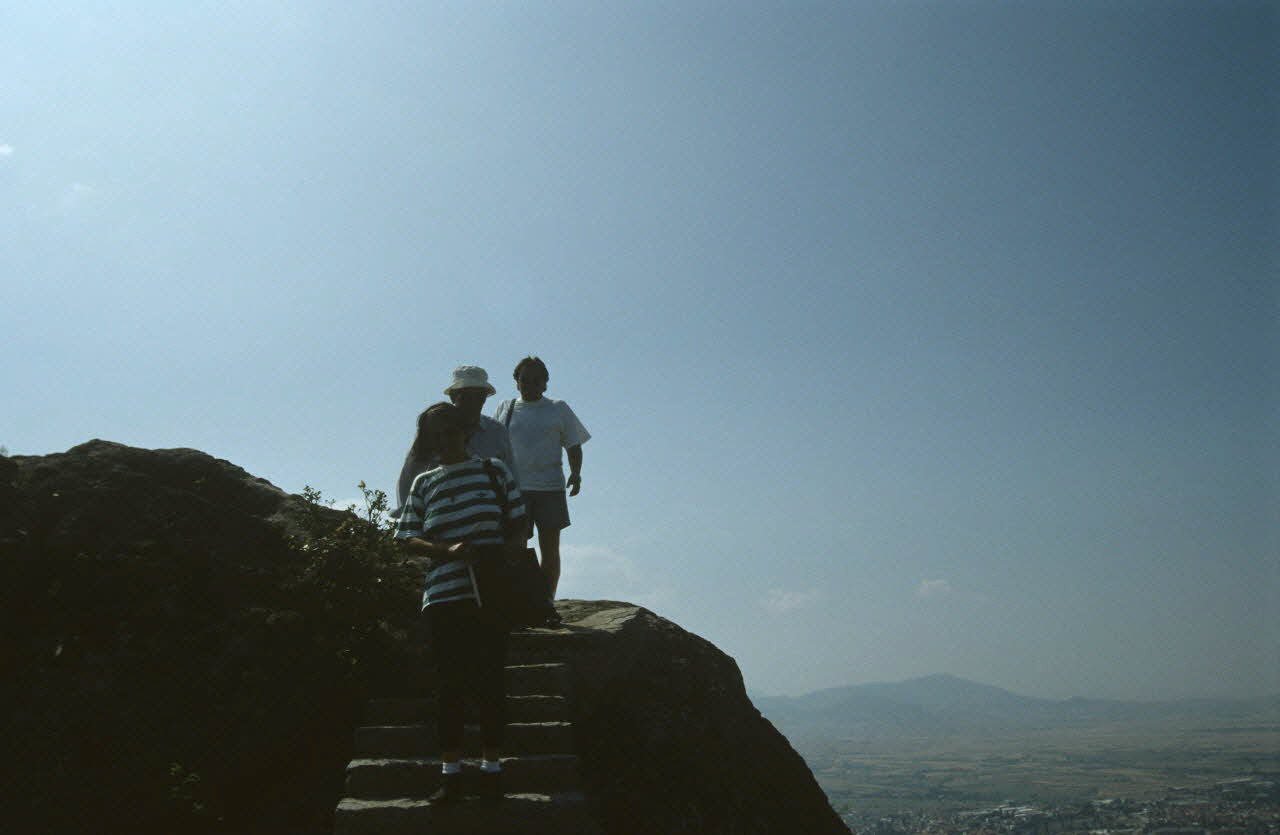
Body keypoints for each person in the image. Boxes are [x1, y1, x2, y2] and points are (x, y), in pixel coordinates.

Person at [394, 402, 527, 805]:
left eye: (450, 430)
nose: (444, 438)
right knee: (450, 686)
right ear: (426, 439)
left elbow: (520, 518)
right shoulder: (424, 483)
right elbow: (406, 537)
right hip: (443, 594)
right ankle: (451, 775)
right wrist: (446, 550)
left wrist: (508, 552)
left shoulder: (493, 470)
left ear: (465, 431)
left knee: (491, 681)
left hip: (491, 593)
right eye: (435, 433)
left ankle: (492, 771)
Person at [493, 356, 590, 603]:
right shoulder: (505, 408)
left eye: (536, 380)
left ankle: (546, 601)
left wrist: (576, 473)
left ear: (545, 383)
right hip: (515, 488)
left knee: (550, 548)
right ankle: (519, 602)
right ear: (516, 382)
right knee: (515, 547)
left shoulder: (558, 408)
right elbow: (496, 446)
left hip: (550, 487)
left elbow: (573, 444)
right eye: (525, 380)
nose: (530, 385)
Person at [395, 365, 513, 514]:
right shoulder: (432, 427)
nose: (473, 402)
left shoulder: (497, 431)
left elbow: (511, 477)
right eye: (466, 397)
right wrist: (408, 519)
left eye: (479, 397)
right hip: (440, 516)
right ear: (453, 397)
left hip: (489, 518)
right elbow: (409, 478)